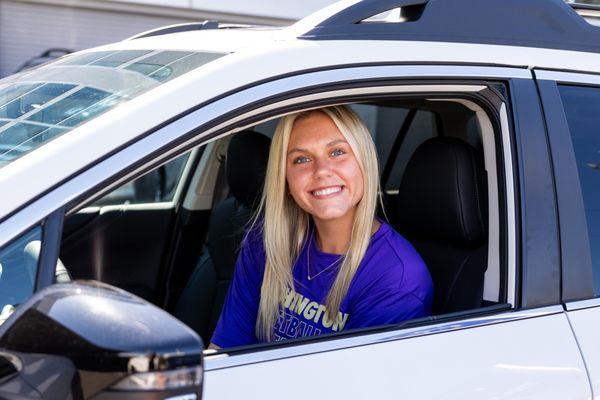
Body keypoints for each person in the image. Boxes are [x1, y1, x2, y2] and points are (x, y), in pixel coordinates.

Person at [210, 105, 433, 348]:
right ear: (284, 178)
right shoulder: (266, 242)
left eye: (337, 152)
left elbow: (350, 384)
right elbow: (225, 349)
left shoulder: (397, 278)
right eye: (302, 159)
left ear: (364, 161)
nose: (322, 171)